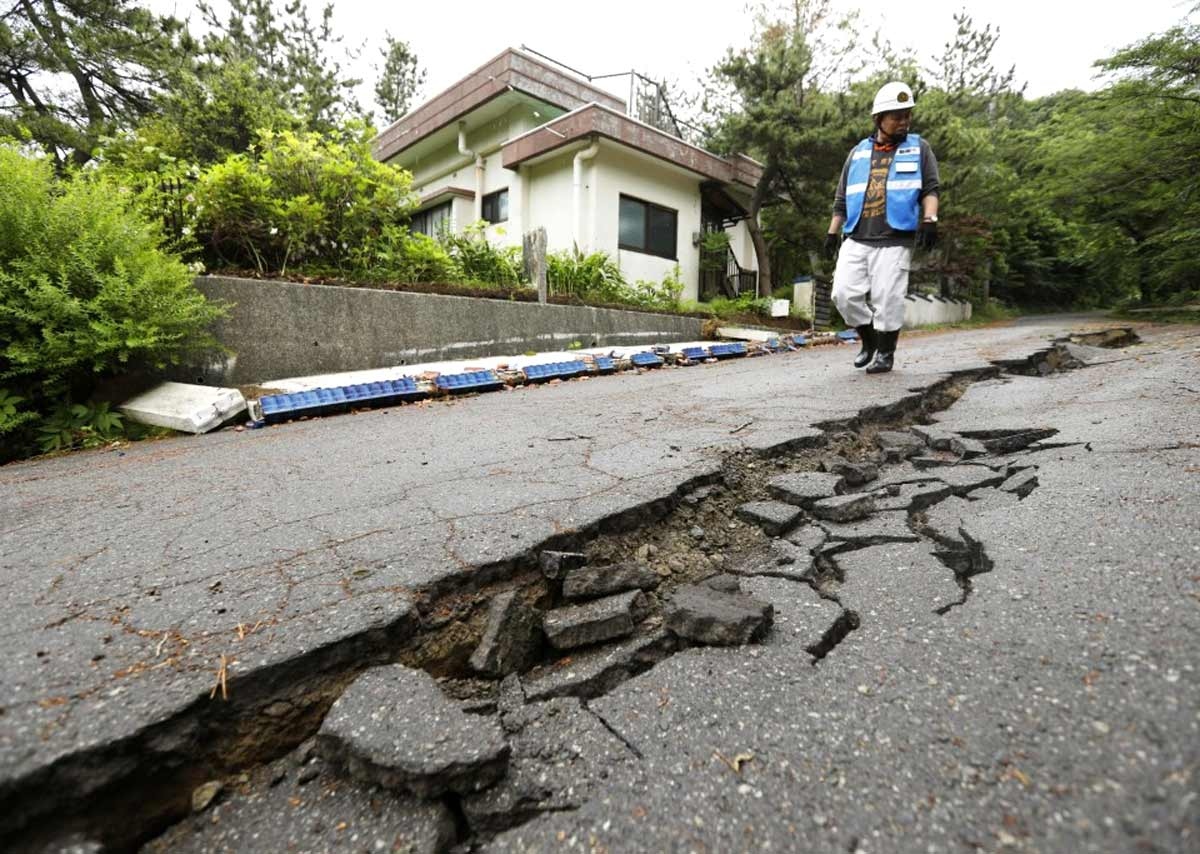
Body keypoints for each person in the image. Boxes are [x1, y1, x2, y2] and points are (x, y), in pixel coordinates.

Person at [823, 81, 940, 373]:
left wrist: (929, 219)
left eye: (907, 115)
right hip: (857, 236)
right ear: (879, 119)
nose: (904, 121)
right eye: (897, 116)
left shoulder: (919, 148)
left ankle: (886, 353)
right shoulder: (857, 153)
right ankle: (870, 340)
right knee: (843, 294)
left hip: (894, 237)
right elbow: (841, 199)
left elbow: (931, 188)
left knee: (888, 298)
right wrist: (831, 233)